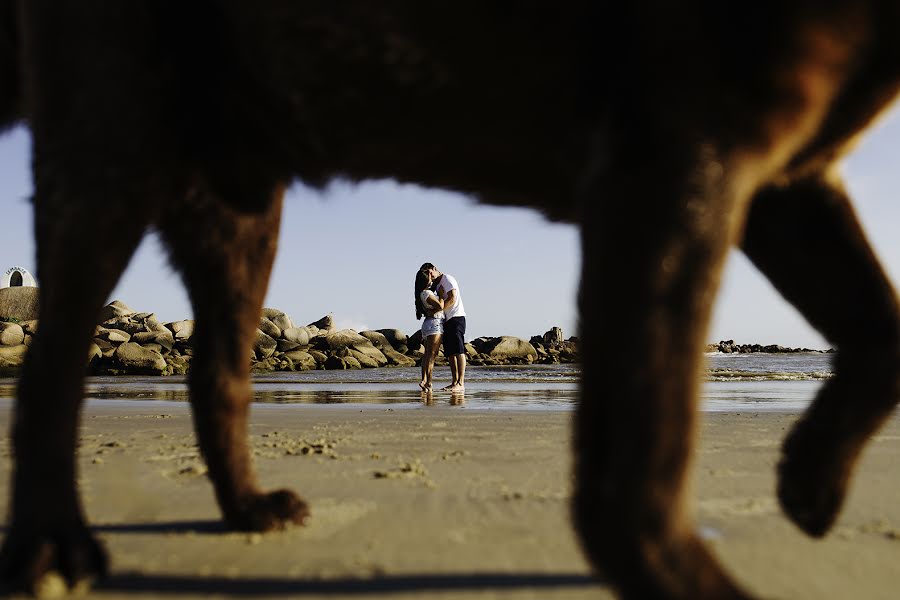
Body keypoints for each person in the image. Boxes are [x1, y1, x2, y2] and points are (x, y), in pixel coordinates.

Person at [420, 263, 466, 391]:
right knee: (451, 353)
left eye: (430, 272)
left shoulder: (448, 279)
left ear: (435, 269)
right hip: (444, 320)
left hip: (456, 317)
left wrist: (435, 312)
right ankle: (454, 382)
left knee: (459, 350)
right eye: (427, 274)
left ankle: (460, 383)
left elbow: (452, 298)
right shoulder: (435, 285)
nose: (430, 276)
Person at [414, 267, 444, 391]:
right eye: (430, 278)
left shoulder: (421, 293)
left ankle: (424, 380)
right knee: (432, 356)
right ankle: (428, 382)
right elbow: (440, 306)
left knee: (427, 355)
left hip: (428, 324)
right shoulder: (427, 293)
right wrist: (442, 295)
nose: (432, 280)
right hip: (434, 324)